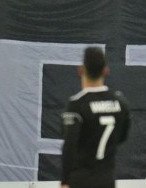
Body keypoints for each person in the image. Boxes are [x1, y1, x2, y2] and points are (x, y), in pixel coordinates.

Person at [61, 47, 130, 188]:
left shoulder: (77, 104)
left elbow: (69, 145)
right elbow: (122, 137)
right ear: (106, 70)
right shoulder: (120, 102)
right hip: (107, 179)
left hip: (81, 179)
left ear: (81, 70)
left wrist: (65, 181)